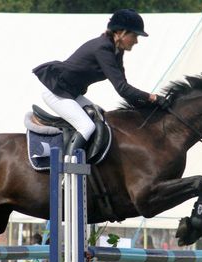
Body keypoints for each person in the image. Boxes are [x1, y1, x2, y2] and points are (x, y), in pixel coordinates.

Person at [33, 8, 166, 155]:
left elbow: (125, 89)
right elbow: (122, 88)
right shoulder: (103, 48)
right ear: (121, 33)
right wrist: (152, 97)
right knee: (87, 127)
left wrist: (148, 106)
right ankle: (68, 168)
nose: (136, 41)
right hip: (55, 90)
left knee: (101, 117)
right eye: (134, 35)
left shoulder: (117, 50)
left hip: (70, 93)